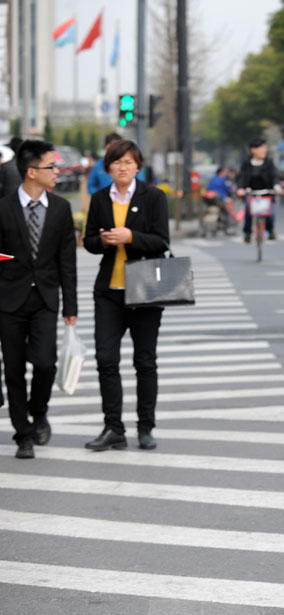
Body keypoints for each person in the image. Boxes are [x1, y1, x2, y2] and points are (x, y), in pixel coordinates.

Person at [82, 140, 169, 452]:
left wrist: (130, 237)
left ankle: (145, 428)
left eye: (129, 162)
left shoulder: (154, 197)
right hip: (109, 291)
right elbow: (89, 241)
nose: (122, 167)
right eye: (117, 162)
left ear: (138, 167)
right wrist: (103, 241)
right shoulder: (100, 199)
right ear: (108, 167)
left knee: (145, 362)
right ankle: (113, 428)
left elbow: (161, 241)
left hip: (144, 290)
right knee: (106, 360)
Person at [0, 140, 78, 459]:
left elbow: (66, 261)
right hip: (8, 300)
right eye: (51, 167)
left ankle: (39, 410)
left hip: (46, 298)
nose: (56, 172)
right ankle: (24, 434)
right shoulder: (3, 208)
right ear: (31, 172)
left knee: (45, 363)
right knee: (14, 369)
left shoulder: (61, 208)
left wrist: (70, 306)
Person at [237, 138, 279, 242]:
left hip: (267, 193)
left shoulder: (269, 162)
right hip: (251, 193)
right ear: (253, 150)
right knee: (248, 211)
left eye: (265, 148)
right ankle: (247, 232)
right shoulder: (246, 163)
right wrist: (241, 188)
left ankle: (270, 229)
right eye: (261, 148)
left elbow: (274, 176)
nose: (264, 150)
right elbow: (241, 177)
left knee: (271, 214)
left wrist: (277, 186)